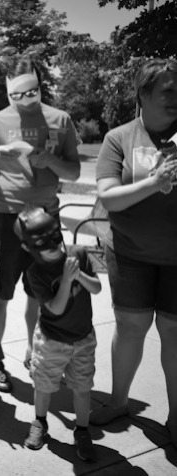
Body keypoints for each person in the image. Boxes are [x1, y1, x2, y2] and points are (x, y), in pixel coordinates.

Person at [0, 56, 81, 392]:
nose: (24, 100)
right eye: (17, 95)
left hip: (45, 219)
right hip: (3, 217)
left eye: (31, 91)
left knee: (41, 294)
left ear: (38, 84)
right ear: (8, 92)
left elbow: (74, 172)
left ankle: (36, 354)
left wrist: (51, 160)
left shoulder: (60, 119)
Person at [90, 58, 177, 447]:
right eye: (168, 90)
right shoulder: (119, 138)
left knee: (174, 335)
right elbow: (108, 196)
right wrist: (155, 183)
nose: (175, 98)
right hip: (129, 255)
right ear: (143, 94)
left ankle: (176, 417)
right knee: (130, 329)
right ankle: (119, 401)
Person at [16, 208, 100, 461]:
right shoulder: (35, 271)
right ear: (27, 246)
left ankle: (82, 431)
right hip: (51, 339)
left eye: (55, 236)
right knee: (44, 384)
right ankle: (40, 422)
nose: (53, 245)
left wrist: (79, 275)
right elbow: (55, 308)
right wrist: (65, 280)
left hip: (83, 338)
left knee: (82, 387)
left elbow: (96, 288)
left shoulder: (79, 253)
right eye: (42, 242)